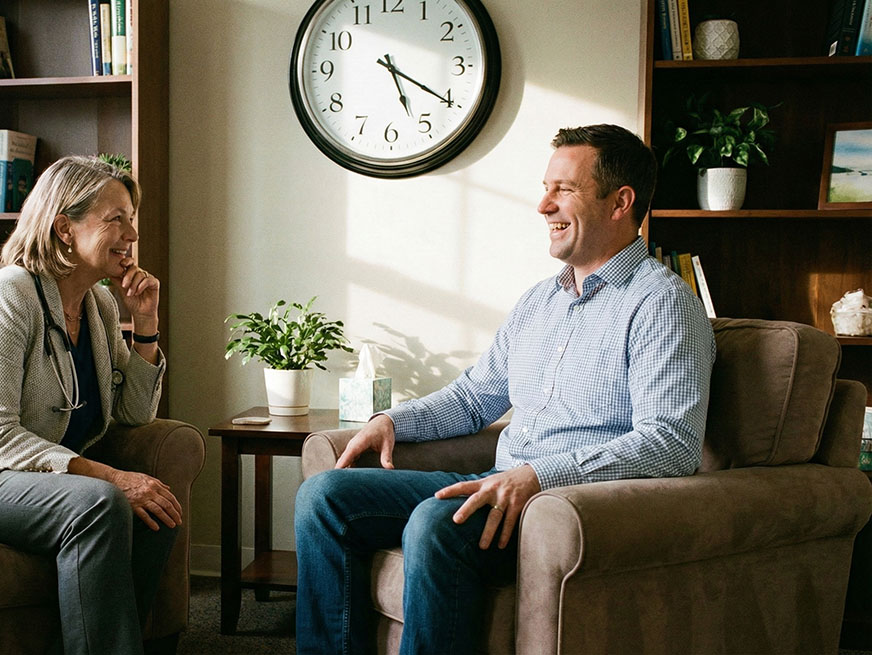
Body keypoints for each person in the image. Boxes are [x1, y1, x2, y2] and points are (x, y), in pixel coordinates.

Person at [294, 124, 716, 654]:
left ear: (620, 202)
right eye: (546, 188)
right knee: (323, 496)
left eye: (563, 189)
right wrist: (391, 422)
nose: (544, 205)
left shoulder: (663, 305)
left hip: (568, 505)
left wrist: (539, 475)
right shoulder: (539, 301)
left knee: (435, 520)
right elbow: (473, 398)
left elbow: (670, 443)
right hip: (496, 482)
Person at [0, 155, 179, 655]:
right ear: (65, 227)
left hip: (22, 478)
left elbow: (133, 415)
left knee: (154, 513)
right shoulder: (4, 296)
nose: (131, 234)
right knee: (102, 503)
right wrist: (109, 478)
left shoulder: (100, 305)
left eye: (131, 219)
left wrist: (145, 325)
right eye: (116, 219)